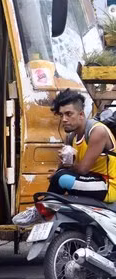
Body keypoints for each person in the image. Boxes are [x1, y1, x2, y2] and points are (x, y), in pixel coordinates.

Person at [14, 89, 116, 226]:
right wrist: (60, 167)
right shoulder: (71, 137)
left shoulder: (97, 131)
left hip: (108, 186)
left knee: (62, 178)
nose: (64, 119)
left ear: (81, 114)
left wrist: (63, 170)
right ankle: (45, 211)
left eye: (69, 114)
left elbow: (83, 169)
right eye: (61, 115)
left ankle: (41, 211)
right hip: (90, 181)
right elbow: (67, 167)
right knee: (59, 176)